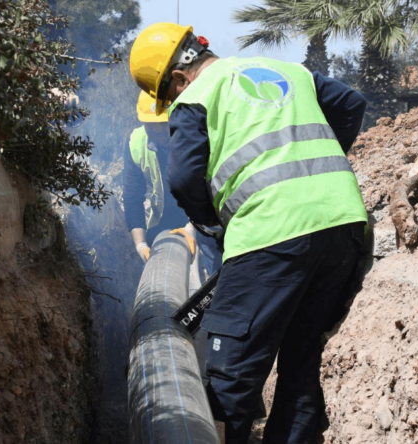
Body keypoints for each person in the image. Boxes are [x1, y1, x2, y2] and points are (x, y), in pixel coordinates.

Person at [129, 23, 369, 444]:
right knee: (301, 360)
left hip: (271, 233)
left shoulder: (197, 96)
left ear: (181, 79)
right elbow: (350, 104)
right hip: (344, 225)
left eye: (169, 98)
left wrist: (212, 224)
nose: (172, 106)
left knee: (230, 376)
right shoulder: (290, 71)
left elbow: (184, 180)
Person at [123, 91, 222, 274]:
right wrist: (141, 245)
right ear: (142, 122)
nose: (158, 130)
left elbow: (212, 187)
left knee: (215, 261)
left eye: (163, 123)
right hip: (165, 217)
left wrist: (192, 228)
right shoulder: (136, 143)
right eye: (152, 125)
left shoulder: (195, 136)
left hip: (205, 215)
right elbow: (132, 198)